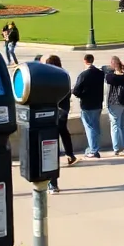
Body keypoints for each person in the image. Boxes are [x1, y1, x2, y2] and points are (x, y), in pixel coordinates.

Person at [44, 54, 76, 193]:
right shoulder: (64, 75)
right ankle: (70, 154)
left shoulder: (47, 78)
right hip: (62, 111)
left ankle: (52, 182)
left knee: (51, 147)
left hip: (52, 114)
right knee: (63, 132)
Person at [72, 54, 106, 158]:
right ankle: (94, 147)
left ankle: (93, 149)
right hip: (98, 103)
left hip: (87, 104)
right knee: (95, 126)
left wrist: (79, 93)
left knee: (89, 127)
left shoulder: (83, 75)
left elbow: (77, 91)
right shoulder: (100, 73)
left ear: (84, 61)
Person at [105, 55, 124, 156]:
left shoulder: (110, 76)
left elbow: (109, 77)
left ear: (112, 64)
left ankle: (116, 148)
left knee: (115, 125)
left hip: (114, 103)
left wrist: (113, 68)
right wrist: (123, 67)